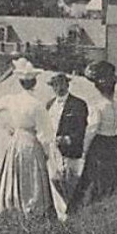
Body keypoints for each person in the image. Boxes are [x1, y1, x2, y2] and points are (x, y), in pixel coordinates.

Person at [0, 57, 54, 218]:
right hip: (30, 141)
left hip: (16, 140)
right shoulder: (37, 105)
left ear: (20, 82)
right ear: (35, 82)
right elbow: (45, 133)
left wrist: (8, 127)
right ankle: (31, 210)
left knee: (14, 172)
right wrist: (47, 153)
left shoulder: (11, 100)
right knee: (32, 176)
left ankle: (13, 208)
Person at [68, 60, 117, 212]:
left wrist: (84, 151)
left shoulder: (97, 107)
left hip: (99, 145)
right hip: (115, 144)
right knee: (116, 179)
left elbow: (92, 129)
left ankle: (91, 209)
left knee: (94, 180)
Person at [44, 71, 88, 215]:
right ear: (52, 87)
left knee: (71, 183)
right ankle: (62, 215)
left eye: (62, 83)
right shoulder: (49, 104)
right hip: (53, 151)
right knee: (55, 181)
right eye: (55, 85)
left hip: (70, 152)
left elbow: (81, 129)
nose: (59, 88)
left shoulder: (78, 104)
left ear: (67, 84)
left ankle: (74, 214)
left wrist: (67, 139)